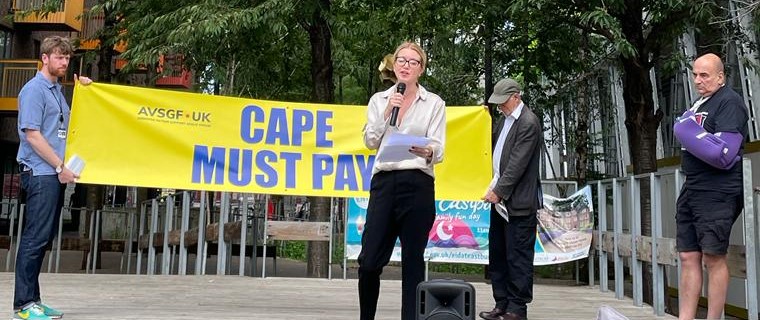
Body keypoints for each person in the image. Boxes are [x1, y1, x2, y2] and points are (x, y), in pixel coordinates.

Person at [358, 41, 446, 320]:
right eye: (401, 61)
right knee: (369, 261)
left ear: (421, 69)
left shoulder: (434, 103)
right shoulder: (379, 100)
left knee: (412, 262)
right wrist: (386, 114)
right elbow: (370, 140)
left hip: (418, 183)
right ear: (394, 66)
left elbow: (439, 147)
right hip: (385, 183)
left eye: (413, 62)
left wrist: (428, 150)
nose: (406, 66)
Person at [14, 36, 92, 320]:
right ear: (44, 58)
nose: (64, 62)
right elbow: (32, 135)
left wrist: (87, 91)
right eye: (59, 57)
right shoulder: (34, 90)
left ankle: (33, 300)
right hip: (41, 172)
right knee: (34, 238)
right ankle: (23, 305)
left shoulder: (57, 90)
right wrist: (61, 166)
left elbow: (65, 127)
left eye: (67, 58)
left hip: (54, 174)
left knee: (43, 238)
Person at [672, 53, 748, 320]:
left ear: (720, 76)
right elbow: (711, 147)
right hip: (691, 187)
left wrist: (685, 130)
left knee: (713, 258)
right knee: (687, 257)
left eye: (704, 75)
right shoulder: (698, 103)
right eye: (694, 75)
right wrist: (698, 136)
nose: (697, 80)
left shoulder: (730, 102)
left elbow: (724, 154)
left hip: (717, 191)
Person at [480, 78, 542, 320]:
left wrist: (499, 191)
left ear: (516, 96)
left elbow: (517, 164)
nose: (500, 106)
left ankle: (517, 308)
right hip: (501, 204)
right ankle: (501, 302)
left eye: (503, 101)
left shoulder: (528, 122)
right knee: (498, 254)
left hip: (518, 203)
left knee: (518, 257)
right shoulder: (504, 121)